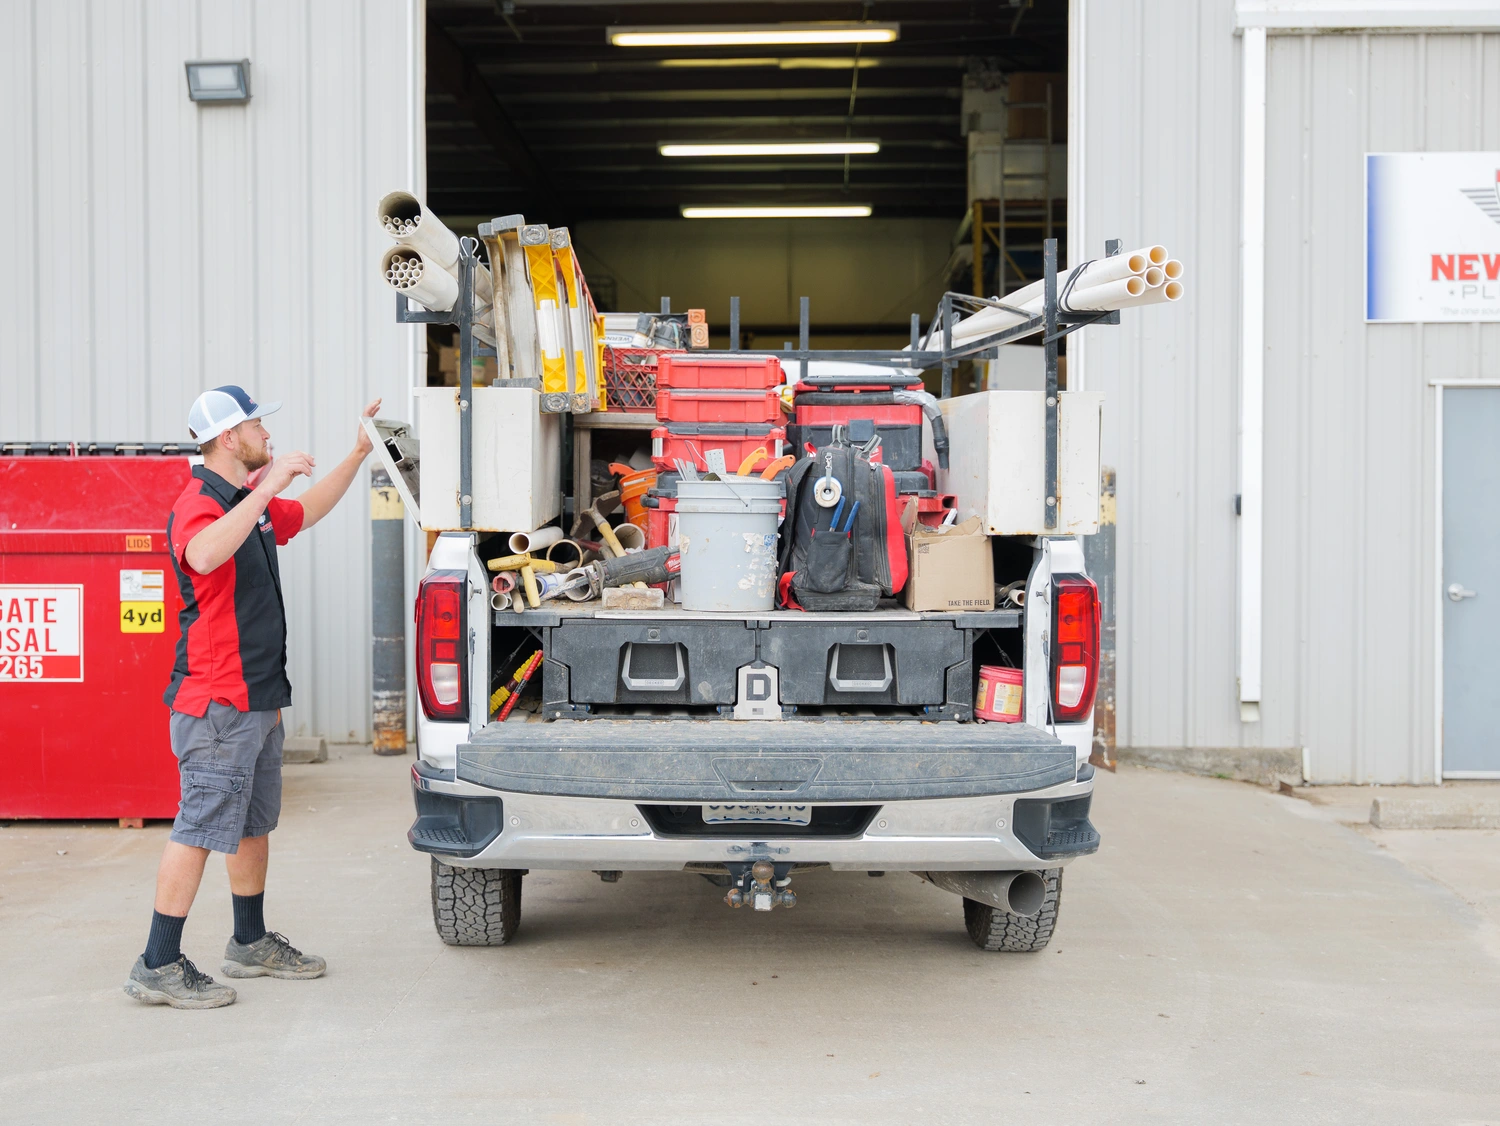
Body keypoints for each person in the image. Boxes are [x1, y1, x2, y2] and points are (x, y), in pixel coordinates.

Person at [124, 385, 380, 1009]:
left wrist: (357, 454)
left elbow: (309, 510)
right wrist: (268, 487)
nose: (266, 433)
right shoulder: (200, 503)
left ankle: (249, 941)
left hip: (259, 697)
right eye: (256, 424)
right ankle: (157, 963)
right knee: (200, 827)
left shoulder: (247, 501)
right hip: (217, 702)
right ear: (227, 437)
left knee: (250, 825)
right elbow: (204, 555)